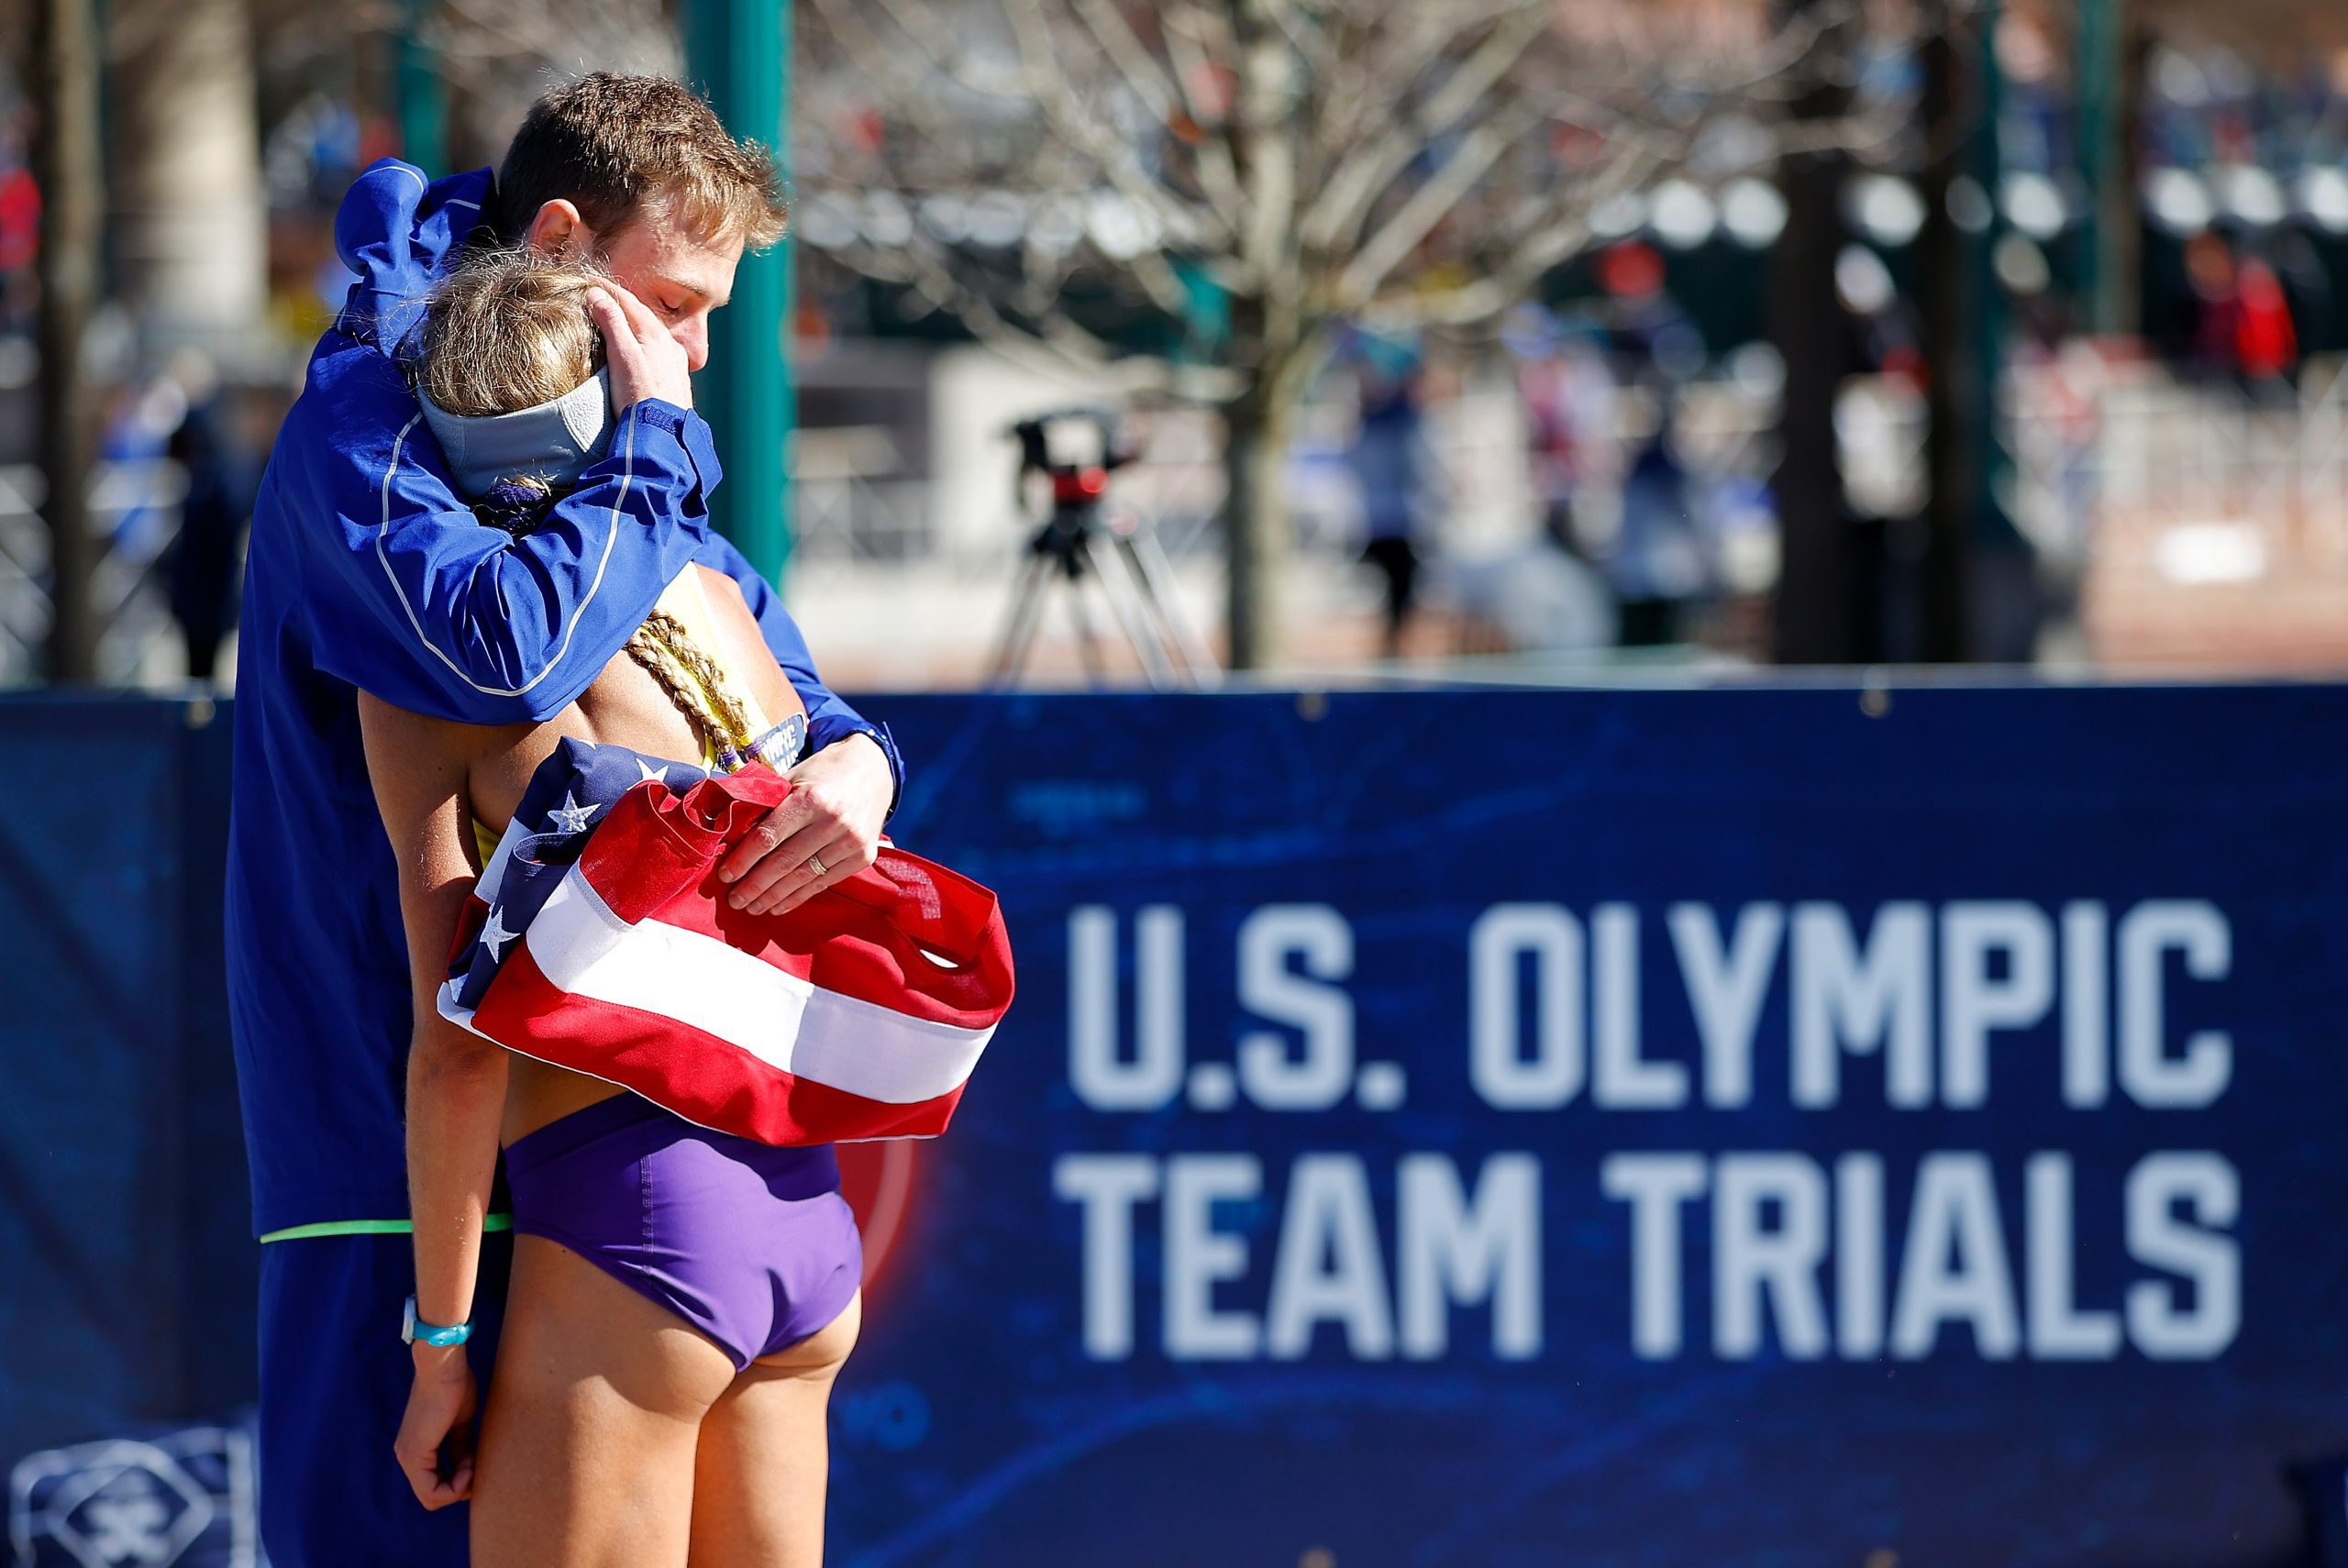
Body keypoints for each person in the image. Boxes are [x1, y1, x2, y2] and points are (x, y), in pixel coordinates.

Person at [225, 74, 901, 1568]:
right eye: (677, 302)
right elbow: (505, 646)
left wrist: (866, 762)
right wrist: (650, 450)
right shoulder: (385, 407)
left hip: (532, 1193)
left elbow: (458, 1028)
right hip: (605, 1190)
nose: (698, 359)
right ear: (559, 244)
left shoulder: (625, 462)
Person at [364, 246, 860, 1564]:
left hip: (635, 1222)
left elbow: (456, 1047)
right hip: (803, 1219)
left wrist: (439, 1347)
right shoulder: (713, 590)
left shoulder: (445, 656)